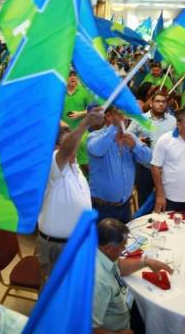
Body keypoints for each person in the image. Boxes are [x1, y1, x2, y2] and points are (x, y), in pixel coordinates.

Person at [37, 108, 104, 277]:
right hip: (58, 247)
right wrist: (86, 122)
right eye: (66, 132)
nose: (72, 133)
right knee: (56, 294)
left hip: (78, 242)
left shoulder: (74, 166)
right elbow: (65, 151)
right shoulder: (50, 163)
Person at [93, 218, 172, 334]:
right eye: (122, 246)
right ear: (109, 248)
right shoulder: (98, 282)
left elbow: (119, 266)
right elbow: (89, 328)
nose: (124, 249)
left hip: (127, 307)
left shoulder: (101, 252)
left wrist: (146, 262)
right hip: (118, 328)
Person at [87, 107, 152, 223]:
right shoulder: (94, 137)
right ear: (108, 117)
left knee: (125, 239)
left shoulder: (130, 138)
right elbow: (97, 150)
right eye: (120, 115)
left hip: (125, 206)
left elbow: (149, 159)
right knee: (104, 240)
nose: (125, 119)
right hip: (103, 208)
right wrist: (114, 128)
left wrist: (135, 146)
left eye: (126, 116)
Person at [128, 92, 176, 206]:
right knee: (144, 202)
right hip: (146, 166)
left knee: (167, 200)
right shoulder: (140, 119)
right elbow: (128, 136)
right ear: (151, 104)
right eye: (157, 101)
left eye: (163, 102)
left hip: (166, 167)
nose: (161, 104)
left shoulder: (173, 121)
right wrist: (138, 141)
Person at [61, 68, 93, 174]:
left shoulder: (84, 92)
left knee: (85, 164)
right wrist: (61, 123)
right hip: (64, 136)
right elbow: (54, 112)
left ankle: (87, 187)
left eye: (74, 75)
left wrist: (81, 113)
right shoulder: (59, 93)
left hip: (82, 135)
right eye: (70, 75)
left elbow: (93, 109)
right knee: (66, 164)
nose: (72, 77)